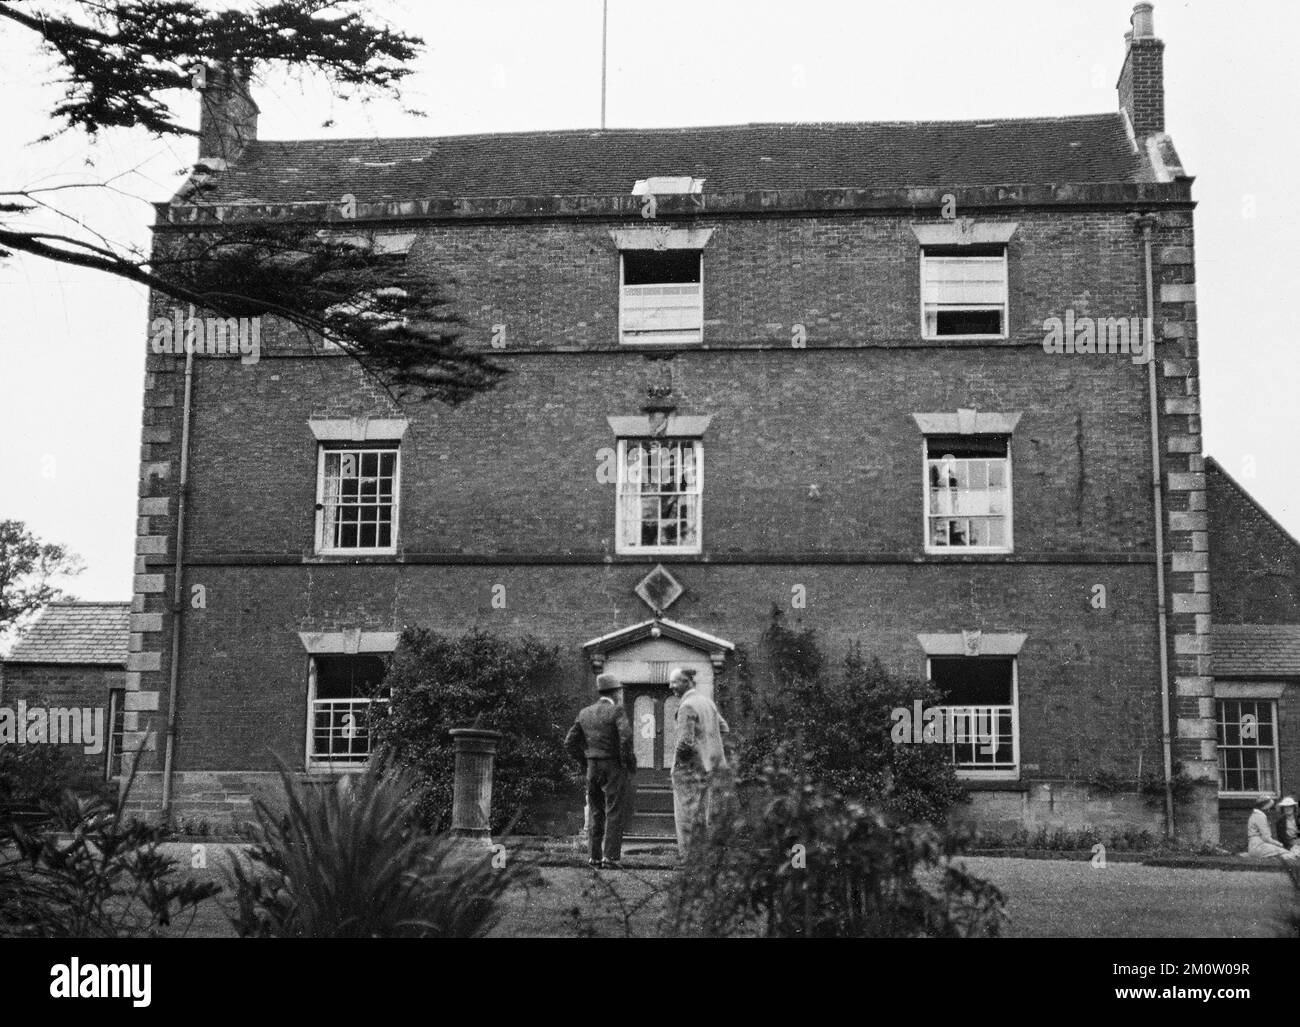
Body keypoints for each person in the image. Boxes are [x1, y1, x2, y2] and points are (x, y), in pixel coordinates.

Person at [564, 672, 635, 870]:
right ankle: (611, 858)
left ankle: (594, 857)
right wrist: (626, 763)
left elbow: (569, 742)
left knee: (596, 811)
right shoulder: (617, 711)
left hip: (592, 768)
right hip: (613, 766)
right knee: (614, 810)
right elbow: (626, 738)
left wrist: (586, 760)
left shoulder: (585, 712)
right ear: (615, 692)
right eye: (619, 691)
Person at [669, 666, 729, 859]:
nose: (671, 687)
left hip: (690, 770)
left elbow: (685, 742)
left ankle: (689, 859)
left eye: (675, 682)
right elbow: (724, 728)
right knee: (705, 815)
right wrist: (710, 749)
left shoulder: (687, 706)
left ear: (687, 682)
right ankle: (704, 857)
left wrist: (678, 765)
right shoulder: (707, 702)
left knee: (687, 815)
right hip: (711, 768)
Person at [1247, 794, 1298, 863]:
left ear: (1294, 808)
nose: (1269, 809)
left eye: (1290, 807)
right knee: (1289, 855)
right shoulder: (1262, 817)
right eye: (1286, 807)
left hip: (1259, 845)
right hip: (1259, 846)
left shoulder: (1257, 815)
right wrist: (1280, 845)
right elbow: (1267, 838)